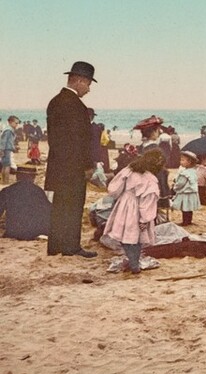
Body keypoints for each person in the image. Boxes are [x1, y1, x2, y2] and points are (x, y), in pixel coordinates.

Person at [45, 61, 98, 258]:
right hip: (73, 166)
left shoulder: (55, 101)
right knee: (73, 206)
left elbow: (56, 139)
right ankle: (70, 247)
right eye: (88, 84)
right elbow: (79, 141)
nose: (89, 89)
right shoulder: (75, 105)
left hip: (58, 164)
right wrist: (87, 165)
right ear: (79, 81)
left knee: (59, 207)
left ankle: (56, 246)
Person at [102, 149, 163, 274]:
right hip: (138, 210)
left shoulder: (129, 171)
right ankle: (134, 262)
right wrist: (145, 219)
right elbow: (148, 201)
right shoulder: (150, 180)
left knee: (124, 236)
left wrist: (122, 196)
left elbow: (114, 190)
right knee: (137, 238)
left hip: (124, 206)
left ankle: (132, 260)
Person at [172, 151, 201, 226]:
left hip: (185, 192)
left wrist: (175, 187)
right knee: (189, 208)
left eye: (182, 160)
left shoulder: (184, 173)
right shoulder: (193, 171)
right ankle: (189, 220)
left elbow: (181, 183)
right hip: (192, 192)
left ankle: (185, 221)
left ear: (189, 162)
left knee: (185, 208)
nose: (180, 162)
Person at [1, 116, 19, 184]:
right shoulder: (8, 130)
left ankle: (3, 181)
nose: (17, 125)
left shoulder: (7, 129)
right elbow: (3, 141)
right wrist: (2, 150)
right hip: (6, 150)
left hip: (6, 149)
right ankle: (5, 181)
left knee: (4, 165)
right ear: (11, 122)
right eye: (16, 123)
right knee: (7, 166)